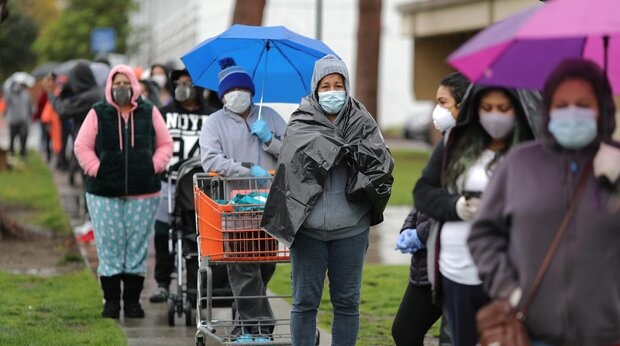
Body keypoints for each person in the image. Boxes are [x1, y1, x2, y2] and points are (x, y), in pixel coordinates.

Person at [468, 59, 620, 346]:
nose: (572, 113)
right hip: (531, 331)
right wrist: (508, 288)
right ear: (548, 109)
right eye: (561, 105)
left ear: (602, 109)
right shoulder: (519, 164)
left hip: (608, 334)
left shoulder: (616, 164)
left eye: (583, 104)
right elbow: (483, 235)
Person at [261, 54, 394, 346]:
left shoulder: (363, 122)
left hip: (351, 229)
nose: (332, 91)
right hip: (308, 231)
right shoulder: (301, 121)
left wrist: (350, 152)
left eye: (338, 84)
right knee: (304, 303)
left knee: (347, 303)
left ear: (347, 86)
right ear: (315, 89)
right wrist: (328, 148)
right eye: (325, 85)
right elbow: (291, 170)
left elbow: (380, 165)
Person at [413, 83, 536, 346]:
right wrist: (457, 206)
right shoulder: (454, 143)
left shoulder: (529, 149)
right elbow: (423, 192)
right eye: (487, 108)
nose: (494, 115)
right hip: (456, 270)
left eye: (503, 108)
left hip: (508, 272)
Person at [73, 64, 173, 319]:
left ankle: (132, 302)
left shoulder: (149, 111)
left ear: (134, 85)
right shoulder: (98, 112)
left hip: (144, 192)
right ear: (109, 86)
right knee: (109, 245)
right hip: (103, 193)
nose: (121, 88)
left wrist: (152, 166)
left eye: (125, 82)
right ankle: (111, 302)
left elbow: (165, 144)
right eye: (116, 83)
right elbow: (82, 146)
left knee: (137, 247)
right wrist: (97, 169)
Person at [199, 57, 287, 342]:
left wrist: (270, 139)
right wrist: (248, 170)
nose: (235, 95)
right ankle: (262, 327)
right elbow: (210, 159)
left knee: (264, 265)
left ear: (251, 91)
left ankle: (242, 328)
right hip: (233, 208)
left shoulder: (270, 117)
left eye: (241, 89)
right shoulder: (214, 123)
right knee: (242, 265)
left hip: (270, 207)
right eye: (229, 91)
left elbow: (294, 154)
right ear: (222, 96)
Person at [392, 71, 470, 346]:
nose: (437, 111)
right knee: (404, 332)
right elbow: (424, 195)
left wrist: (421, 235)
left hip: (453, 261)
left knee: (452, 338)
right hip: (426, 263)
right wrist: (408, 228)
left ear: (463, 105)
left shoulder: (472, 151)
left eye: (443, 102)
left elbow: (457, 204)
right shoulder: (445, 145)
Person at [149, 68, 222, 304]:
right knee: (163, 233)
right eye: (179, 83)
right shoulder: (162, 113)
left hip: (203, 186)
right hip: (168, 182)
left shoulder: (212, 116)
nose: (184, 87)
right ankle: (162, 282)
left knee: (196, 236)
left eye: (189, 82)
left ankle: (195, 287)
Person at [4, 80, 33, 158]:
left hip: (23, 120)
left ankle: (22, 152)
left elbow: (29, 105)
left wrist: (31, 115)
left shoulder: (26, 94)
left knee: (23, 136)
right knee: (12, 138)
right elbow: (6, 101)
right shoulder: (10, 94)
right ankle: (11, 152)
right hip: (12, 120)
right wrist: (10, 90)